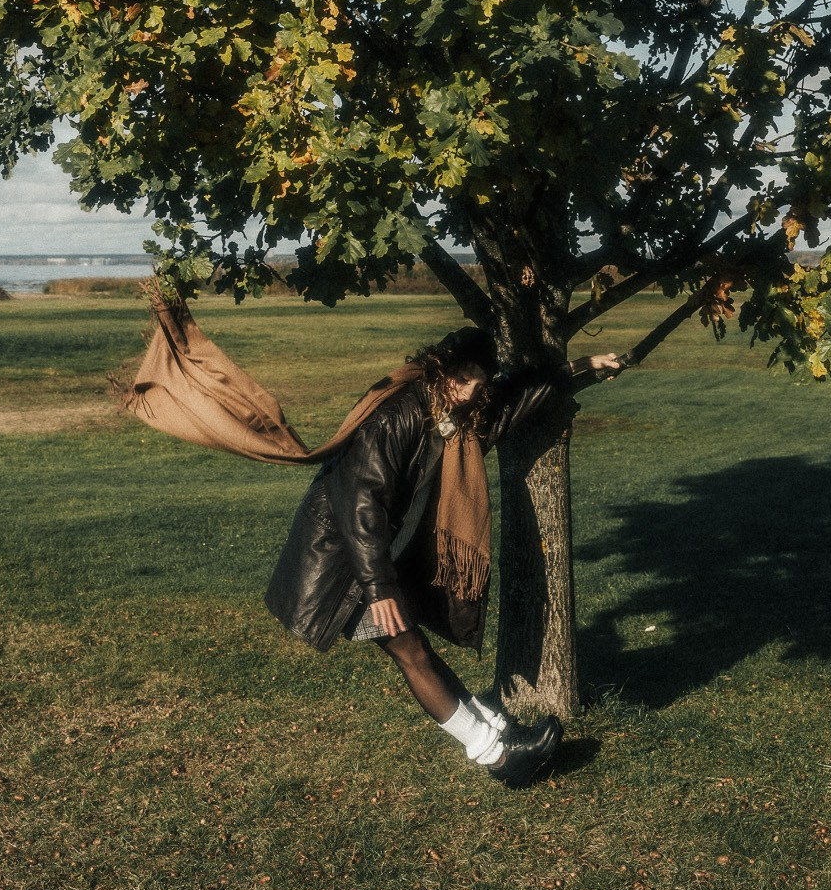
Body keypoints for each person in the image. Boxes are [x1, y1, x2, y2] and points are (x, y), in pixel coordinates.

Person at [264, 326, 626, 789]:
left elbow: (517, 396)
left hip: (373, 557)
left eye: (479, 383)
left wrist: (582, 367)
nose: (470, 391)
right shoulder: (397, 414)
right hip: (347, 563)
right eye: (463, 378)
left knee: (418, 651)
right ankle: (498, 757)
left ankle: (499, 732)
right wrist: (379, 589)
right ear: (440, 369)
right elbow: (361, 504)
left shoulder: (456, 417)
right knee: (412, 653)